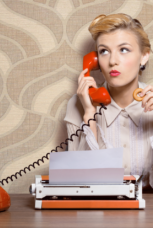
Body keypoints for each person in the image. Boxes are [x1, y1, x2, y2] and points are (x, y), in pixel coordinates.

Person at [64, 13, 153, 188]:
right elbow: (76, 181)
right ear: (95, 61)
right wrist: (90, 114)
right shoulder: (78, 105)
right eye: (104, 51)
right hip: (96, 211)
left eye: (124, 50)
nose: (112, 61)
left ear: (144, 56)